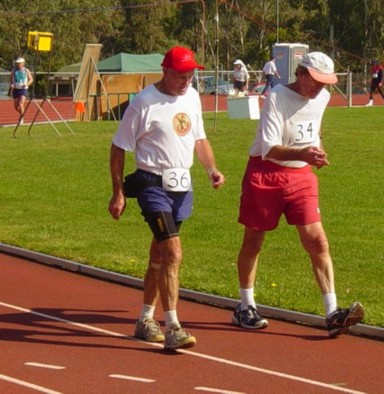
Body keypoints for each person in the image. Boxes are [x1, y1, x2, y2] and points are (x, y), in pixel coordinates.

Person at [231, 51, 364, 338]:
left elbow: (312, 130)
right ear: (301, 73)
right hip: (265, 172)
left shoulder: (323, 98)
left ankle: (332, 312)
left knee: (317, 239)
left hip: (301, 175)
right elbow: (269, 147)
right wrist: (303, 152)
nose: (320, 88)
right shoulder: (278, 96)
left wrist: (315, 150)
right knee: (254, 240)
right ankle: (246, 305)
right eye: (316, 80)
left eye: (325, 83)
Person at [108, 45, 225, 350]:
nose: (187, 81)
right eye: (182, 76)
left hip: (181, 187)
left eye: (191, 75)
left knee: (159, 257)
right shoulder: (144, 102)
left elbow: (198, 138)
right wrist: (118, 192)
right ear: (166, 72)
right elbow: (118, 146)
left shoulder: (192, 97)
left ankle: (145, 319)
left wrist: (211, 168)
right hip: (151, 185)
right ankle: (173, 326)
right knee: (173, 253)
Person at [10, 57, 33, 124]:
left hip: (23, 89)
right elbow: (11, 78)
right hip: (16, 89)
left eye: (19, 63)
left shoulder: (26, 70)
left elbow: (31, 79)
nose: (18, 65)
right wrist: (11, 84)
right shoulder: (14, 70)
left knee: (21, 104)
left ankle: (22, 118)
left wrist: (26, 84)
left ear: (23, 63)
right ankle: (21, 114)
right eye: (17, 63)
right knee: (16, 107)